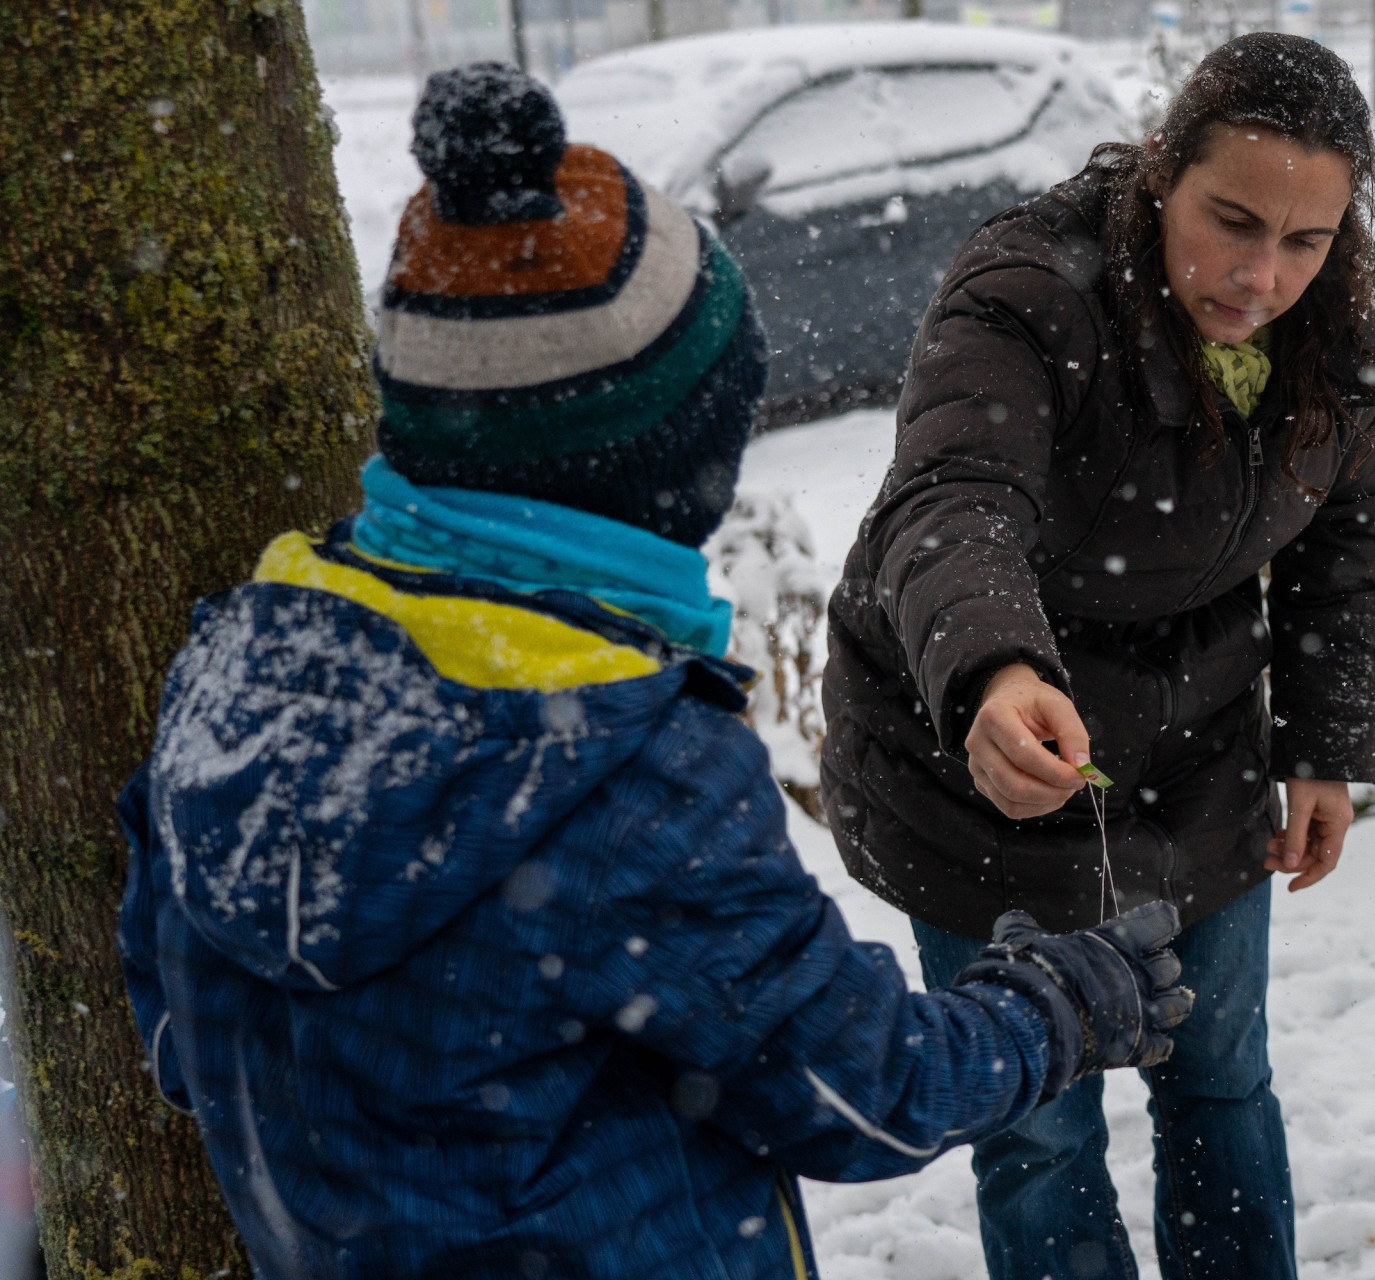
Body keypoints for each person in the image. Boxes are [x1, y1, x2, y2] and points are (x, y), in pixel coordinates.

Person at [114, 63, 1193, 1280]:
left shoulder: (236, 658)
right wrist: (1056, 999)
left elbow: (173, 1022)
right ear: (664, 460)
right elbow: (859, 1091)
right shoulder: (625, 766)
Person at [822, 33, 1375, 1280]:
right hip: (981, 753)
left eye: (1305, 240)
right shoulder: (1028, 293)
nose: (1261, 277)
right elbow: (954, 498)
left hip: (1199, 750)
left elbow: (1343, 543)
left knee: (1224, 1078)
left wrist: (1325, 746)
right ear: (1159, 170)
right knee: (1035, 1126)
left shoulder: (1349, 306)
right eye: (1231, 221)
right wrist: (993, 670)